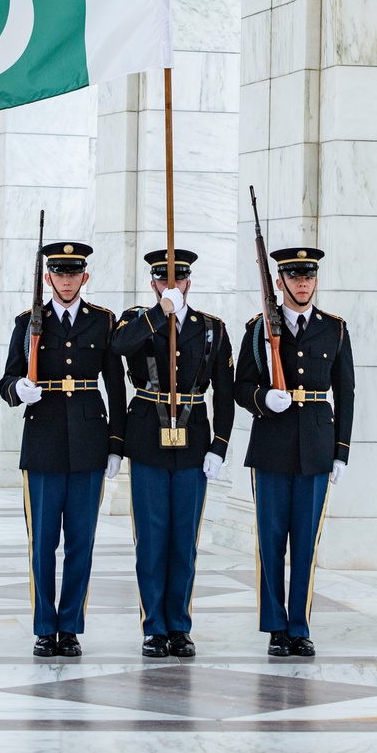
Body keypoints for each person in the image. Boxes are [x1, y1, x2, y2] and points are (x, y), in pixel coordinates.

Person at [0, 240, 125, 658]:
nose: (67, 281)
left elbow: (115, 385)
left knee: (80, 542)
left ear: (84, 277)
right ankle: (43, 626)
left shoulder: (103, 321)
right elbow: (6, 381)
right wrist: (19, 389)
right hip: (43, 443)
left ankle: (69, 626)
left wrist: (115, 445)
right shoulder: (27, 322)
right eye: (59, 273)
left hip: (90, 442)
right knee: (42, 543)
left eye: (74, 274)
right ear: (49, 277)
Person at [112, 248, 234, 657]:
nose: (172, 286)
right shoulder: (136, 320)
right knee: (151, 539)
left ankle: (179, 626)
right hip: (147, 439)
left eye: (178, 280)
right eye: (164, 281)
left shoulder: (211, 328)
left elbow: (226, 394)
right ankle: (154, 627)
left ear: (189, 282)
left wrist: (220, 444)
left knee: (185, 540)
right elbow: (118, 348)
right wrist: (158, 313)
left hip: (194, 442)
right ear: (153, 284)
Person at [234, 246, 354, 657]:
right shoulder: (258, 329)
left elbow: (346, 391)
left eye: (309, 277)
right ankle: (275, 627)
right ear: (280, 281)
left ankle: (299, 625)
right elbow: (239, 386)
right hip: (271, 445)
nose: (303, 284)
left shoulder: (334, 328)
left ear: (315, 281)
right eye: (295, 277)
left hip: (317, 447)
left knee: (305, 543)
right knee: (271, 541)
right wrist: (264, 399)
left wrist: (341, 451)